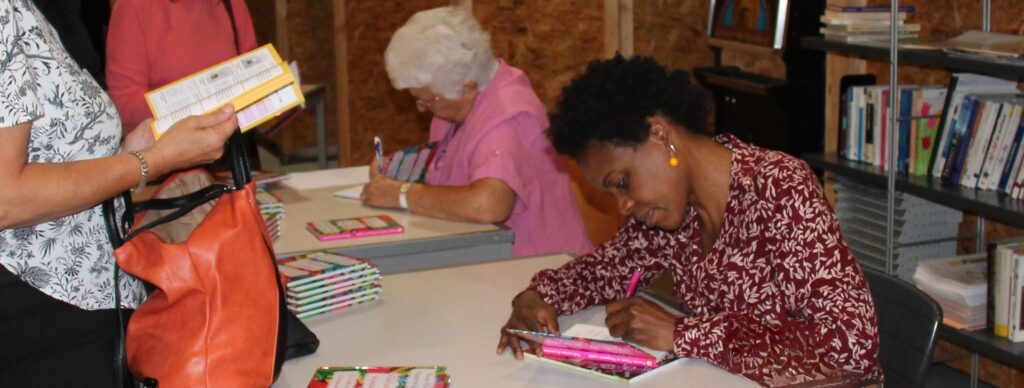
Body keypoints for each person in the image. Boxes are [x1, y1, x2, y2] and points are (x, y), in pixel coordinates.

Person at [495, 55, 883, 386]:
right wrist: (537, 296)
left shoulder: (780, 187)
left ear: (659, 133)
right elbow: (605, 271)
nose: (624, 206)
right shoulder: (672, 215)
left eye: (623, 183)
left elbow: (849, 346)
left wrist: (682, 333)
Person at [0, 1, 239, 386]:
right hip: (43, 311)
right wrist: (151, 161)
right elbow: (5, 198)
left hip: (85, 303)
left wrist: (132, 150)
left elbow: (54, 154)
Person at [362, 6, 592, 257]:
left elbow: (488, 205)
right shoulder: (462, 101)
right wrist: (400, 168)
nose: (420, 109)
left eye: (427, 100)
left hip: (540, 274)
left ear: (467, 86)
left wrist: (402, 194)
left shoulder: (506, 118)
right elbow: (448, 162)